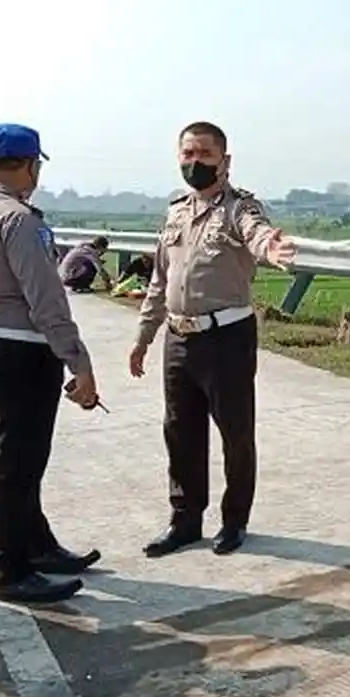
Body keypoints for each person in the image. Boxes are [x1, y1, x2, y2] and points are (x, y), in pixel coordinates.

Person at [0, 123, 101, 605]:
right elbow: (46, 299)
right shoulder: (19, 220)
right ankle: (11, 571)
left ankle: (37, 546)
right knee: (18, 465)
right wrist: (78, 361)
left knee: (20, 458)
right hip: (23, 354)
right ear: (30, 166)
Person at [130, 121, 297, 558]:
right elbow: (160, 280)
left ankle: (234, 521)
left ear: (225, 161)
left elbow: (257, 234)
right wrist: (144, 336)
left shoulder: (240, 208)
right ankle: (184, 521)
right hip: (179, 337)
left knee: (235, 433)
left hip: (226, 339)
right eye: (188, 154)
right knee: (179, 432)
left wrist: (271, 247)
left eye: (205, 154)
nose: (195, 162)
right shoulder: (175, 212)